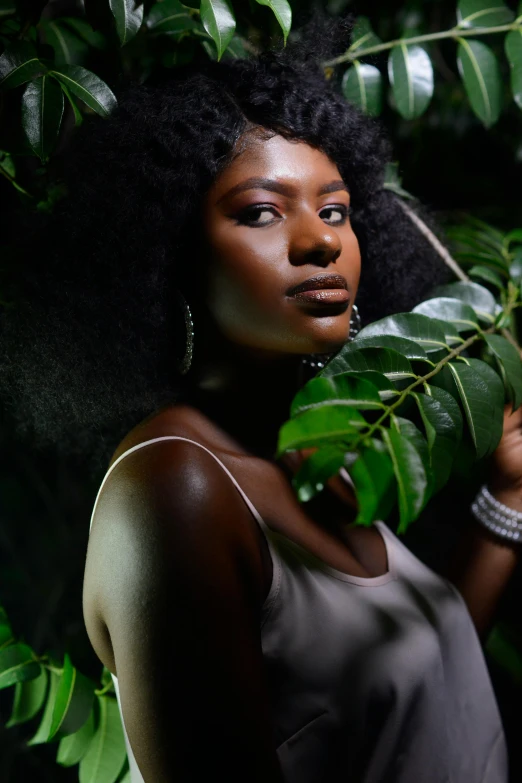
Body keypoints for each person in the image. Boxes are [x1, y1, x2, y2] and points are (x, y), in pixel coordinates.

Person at [2, 16, 521, 783]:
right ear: (169, 256)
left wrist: (508, 499)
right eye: (260, 212)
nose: (319, 241)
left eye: (336, 209)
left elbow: (422, 703)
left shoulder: (318, 446)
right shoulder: (175, 489)